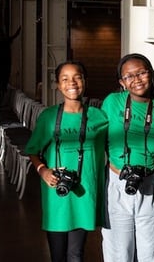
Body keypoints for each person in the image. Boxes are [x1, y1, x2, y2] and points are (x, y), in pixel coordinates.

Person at [25, 60, 108, 262]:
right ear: (58, 84)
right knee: (57, 254)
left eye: (77, 77)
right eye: (65, 79)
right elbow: (33, 150)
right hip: (57, 193)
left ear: (85, 81)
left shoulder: (99, 116)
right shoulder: (49, 117)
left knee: (76, 254)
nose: (72, 83)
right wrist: (43, 170)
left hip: (85, 191)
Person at [101, 53, 154, 262]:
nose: (136, 79)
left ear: (151, 74)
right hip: (117, 184)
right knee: (118, 253)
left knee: (152, 251)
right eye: (129, 76)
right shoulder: (112, 102)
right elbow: (101, 138)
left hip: (152, 184)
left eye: (141, 72)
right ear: (122, 82)